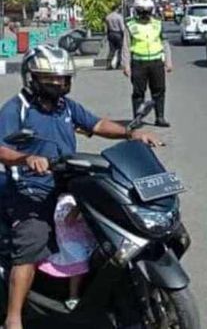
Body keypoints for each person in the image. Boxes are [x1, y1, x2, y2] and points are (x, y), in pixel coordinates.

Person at [0, 45, 162, 329]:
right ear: (32, 78)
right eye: (51, 79)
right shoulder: (16, 108)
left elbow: (96, 123)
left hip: (67, 184)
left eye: (63, 78)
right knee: (33, 239)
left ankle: (100, 293)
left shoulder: (66, 106)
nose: (59, 84)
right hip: (29, 189)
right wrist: (27, 158)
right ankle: (13, 318)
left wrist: (131, 133)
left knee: (109, 220)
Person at [37, 193, 96, 311]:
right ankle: (73, 296)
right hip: (70, 240)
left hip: (86, 236)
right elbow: (68, 220)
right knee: (79, 261)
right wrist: (80, 204)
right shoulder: (65, 201)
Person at [122, 0, 173, 128]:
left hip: (156, 62)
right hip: (139, 63)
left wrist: (168, 61)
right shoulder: (130, 25)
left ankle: (160, 117)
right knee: (139, 93)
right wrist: (126, 65)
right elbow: (126, 46)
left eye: (147, 11)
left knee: (159, 90)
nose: (144, 14)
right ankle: (138, 118)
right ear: (136, 11)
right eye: (141, 11)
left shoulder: (158, 23)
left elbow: (164, 43)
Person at [105, 5, 125, 70]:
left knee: (112, 50)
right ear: (116, 9)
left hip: (111, 33)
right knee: (120, 50)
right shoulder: (119, 17)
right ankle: (118, 64)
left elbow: (107, 28)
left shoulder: (108, 17)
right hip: (118, 34)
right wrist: (124, 35)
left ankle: (108, 64)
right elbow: (122, 28)